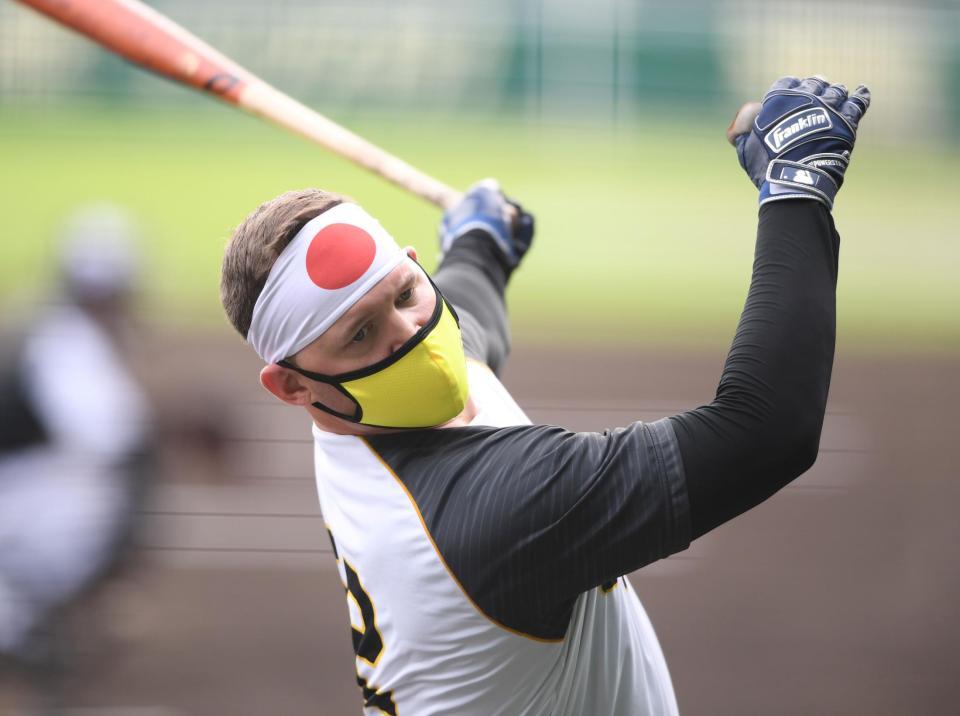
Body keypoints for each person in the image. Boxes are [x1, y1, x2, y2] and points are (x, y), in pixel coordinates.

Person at [219, 76, 870, 715]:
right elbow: (767, 430)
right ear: (291, 385)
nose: (411, 334)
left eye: (406, 293)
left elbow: (464, 320)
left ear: (416, 266)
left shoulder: (369, 407)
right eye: (361, 333)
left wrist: (480, 243)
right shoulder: (497, 506)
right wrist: (795, 191)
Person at [0, 205, 155, 708]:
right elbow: (113, 437)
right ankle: (19, 624)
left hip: (18, 484)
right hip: (17, 499)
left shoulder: (61, 327)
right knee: (111, 493)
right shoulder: (65, 341)